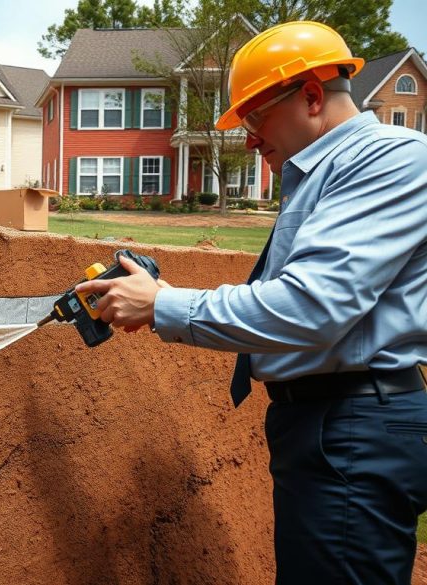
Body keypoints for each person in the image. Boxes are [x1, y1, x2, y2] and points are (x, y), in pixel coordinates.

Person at [76, 21, 427, 585]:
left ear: (312, 96)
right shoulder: (323, 174)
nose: (248, 140)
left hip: (353, 424)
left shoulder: (388, 158)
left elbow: (310, 307)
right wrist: (161, 296)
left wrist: (163, 308)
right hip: (328, 422)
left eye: (256, 118)